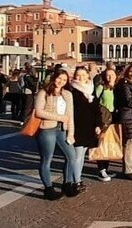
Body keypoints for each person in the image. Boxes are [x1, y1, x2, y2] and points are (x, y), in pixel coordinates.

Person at [34, 68, 78, 200]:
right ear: (54, 78)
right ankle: (48, 188)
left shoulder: (67, 94)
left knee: (72, 156)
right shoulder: (44, 92)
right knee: (47, 159)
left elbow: (70, 115)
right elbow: (38, 112)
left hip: (62, 129)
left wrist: (71, 133)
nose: (61, 82)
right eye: (59, 78)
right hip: (47, 129)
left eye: (64, 80)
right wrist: (58, 117)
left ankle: (67, 184)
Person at [70, 66, 101, 192]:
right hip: (77, 127)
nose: (81, 78)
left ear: (88, 76)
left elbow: (96, 110)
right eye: (78, 75)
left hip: (88, 127)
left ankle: (78, 178)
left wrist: (98, 124)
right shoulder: (72, 91)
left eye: (83, 75)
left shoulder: (91, 90)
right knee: (77, 156)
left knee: (82, 155)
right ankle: (75, 181)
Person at [94, 68, 118, 181]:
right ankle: (101, 170)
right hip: (103, 118)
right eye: (108, 75)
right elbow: (94, 102)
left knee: (109, 144)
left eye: (112, 75)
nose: (110, 77)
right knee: (101, 143)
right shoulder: (101, 87)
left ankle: (106, 168)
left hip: (114, 117)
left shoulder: (117, 88)